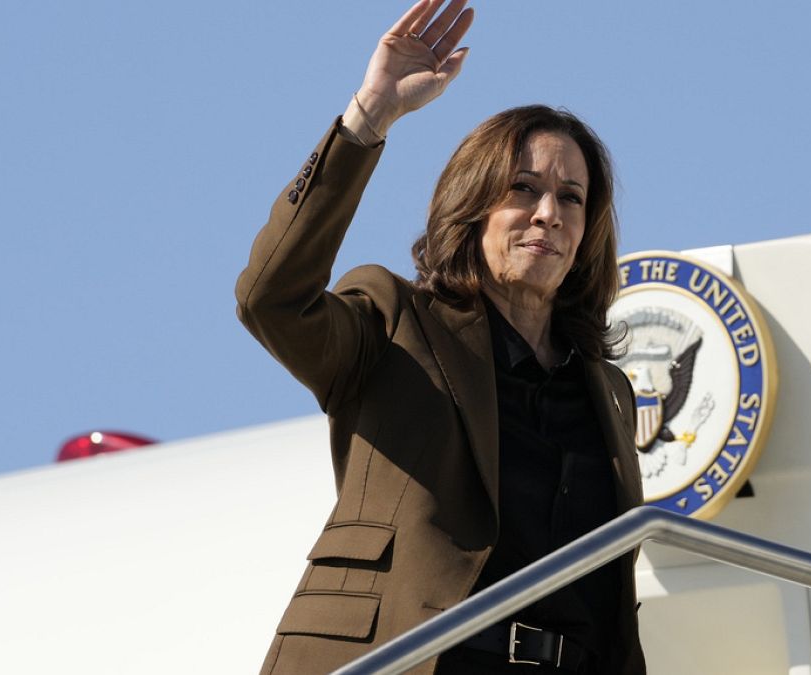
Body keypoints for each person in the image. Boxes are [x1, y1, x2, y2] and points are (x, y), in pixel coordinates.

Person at [235, 1, 646, 673]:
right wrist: (368, 118)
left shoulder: (607, 391)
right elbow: (270, 299)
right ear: (472, 207)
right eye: (523, 188)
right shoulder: (395, 320)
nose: (549, 213)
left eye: (571, 197)